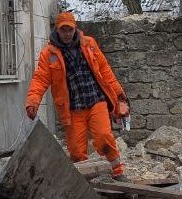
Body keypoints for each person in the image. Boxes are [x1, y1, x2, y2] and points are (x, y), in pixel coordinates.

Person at [26, 11, 129, 178]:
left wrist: (119, 94)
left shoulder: (89, 44)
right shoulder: (49, 54)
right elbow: (40, 79)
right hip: (72, 108)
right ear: (57, 30)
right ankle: (85, 182)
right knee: (76, 151)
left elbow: (105, 70)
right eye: (63, 30)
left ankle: (118, 172)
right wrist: (33, 101)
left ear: (75, 29)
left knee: (104, 137)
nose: (67, 34)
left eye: (70, 30)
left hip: (96, 100)